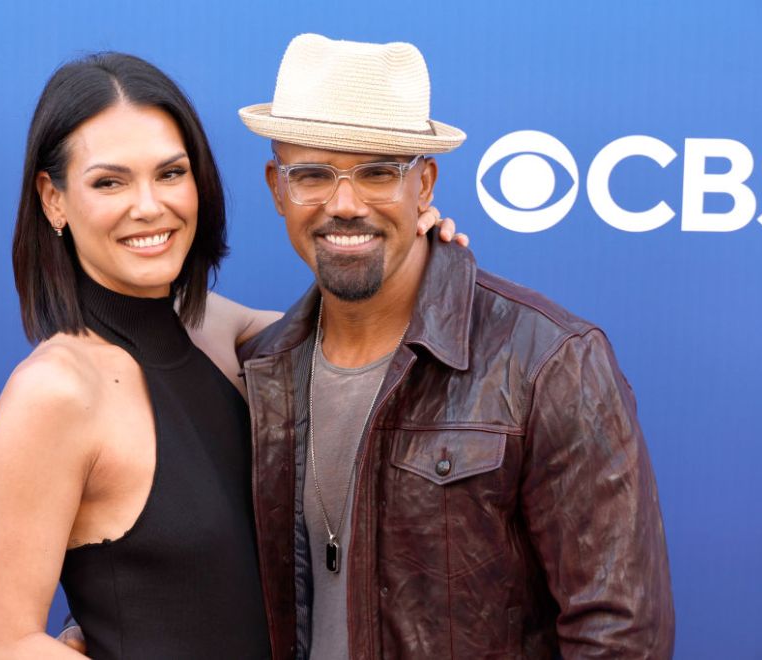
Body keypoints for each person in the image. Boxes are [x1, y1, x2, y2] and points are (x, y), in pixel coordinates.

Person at [0, 52, 463, 659]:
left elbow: (365, 338)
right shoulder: (55, 391)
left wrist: (409, 254)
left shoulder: (223, 333)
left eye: (170, 173)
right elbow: (6, 642)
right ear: (54, 199)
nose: (148, 205)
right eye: (109, 182)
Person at [233, 34, 675, 658]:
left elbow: (621, 636)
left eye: (378, 173)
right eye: (312, 175)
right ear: (277, 189)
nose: (345, 204)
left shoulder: (548, 361)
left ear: (425, 185)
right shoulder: (262, 371)